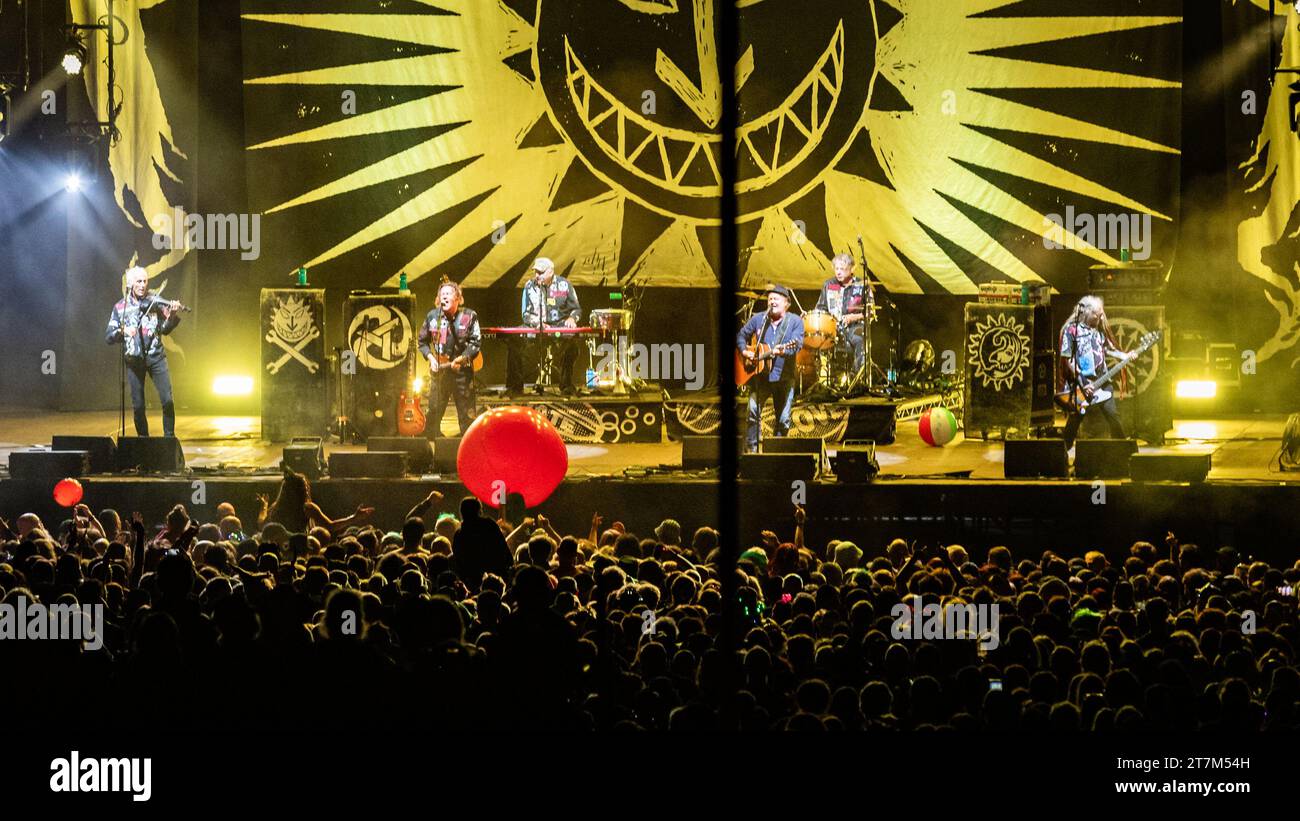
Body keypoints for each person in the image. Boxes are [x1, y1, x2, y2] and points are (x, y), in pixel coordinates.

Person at [105, 265, 184, 437]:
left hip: (156, 357)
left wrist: (171, 316)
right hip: (134, 361)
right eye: (139, 281)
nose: (142, 285)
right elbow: (109, 336)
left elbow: (165, 329)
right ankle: (144, 441)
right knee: (138, 406)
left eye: (145, 281)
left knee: (168, 400)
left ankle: (169, 439)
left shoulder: (155, 302)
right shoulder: (121, 307)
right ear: (131, 283)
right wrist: (124, 331)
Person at [737, 285, 805, 453]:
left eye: (776, 299)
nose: (772, 301)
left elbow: (796, 345)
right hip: (761, 377)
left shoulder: (795, 321)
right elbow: (741, 335)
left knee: (783, 420)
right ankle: (751, 452)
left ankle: (777, 453)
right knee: (752, 411)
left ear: (787, 303)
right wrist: (745, 351)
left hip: (784, 378)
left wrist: (783, 350)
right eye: (770, 299)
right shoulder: (759, 319)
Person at [1059, 294, 1132, 451]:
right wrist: (1083, 383)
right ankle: (1062, 453)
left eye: (1101, 314)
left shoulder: (1098, 332)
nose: (1100, 317)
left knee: (1113, 417)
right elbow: (1068, 360)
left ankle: (1124, 452)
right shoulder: (1071, 331)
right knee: (1075, 420)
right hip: (1080, 384)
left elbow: (1109, 349)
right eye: (1096, 314)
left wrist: (1125, 356)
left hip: (1102, 383)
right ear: (1086, 312)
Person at [507, 257, 582, 395]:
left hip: (558, 327)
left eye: (540, 272)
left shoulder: (565, 285)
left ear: (550, 272)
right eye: (535, 272)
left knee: (572, 344)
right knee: (513, 338)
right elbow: (525, 314)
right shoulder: (529, 285)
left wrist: (572, 318)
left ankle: (566, 385)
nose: (537, 275)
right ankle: (515, 386)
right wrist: (538, 323)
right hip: (535, 326)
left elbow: (577, 309)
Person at [417, 280, 482, 437]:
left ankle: (466, 450)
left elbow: (476, 342)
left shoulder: (469, 316)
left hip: (462, 373)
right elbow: (422, 342)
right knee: (432, 414)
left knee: (467, 418)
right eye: (442, 294)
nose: (444, 297)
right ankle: (432, 453)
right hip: (440, 373)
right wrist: (431, 358)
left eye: (448, 294)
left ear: (458, 298)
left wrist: (463, 358)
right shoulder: (432, 317)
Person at [814, 253, 873, 381]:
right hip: (834, 328)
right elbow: (821, 307)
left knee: (861, 340)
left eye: (843, 269)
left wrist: (854, 317)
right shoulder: (828, 285)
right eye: (837, 269)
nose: (839, 272)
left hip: (855, 327)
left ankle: (856, 379)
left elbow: (871, 312)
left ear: (852, 269)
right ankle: (825, 379)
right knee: (818, 339)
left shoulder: (862, 285)